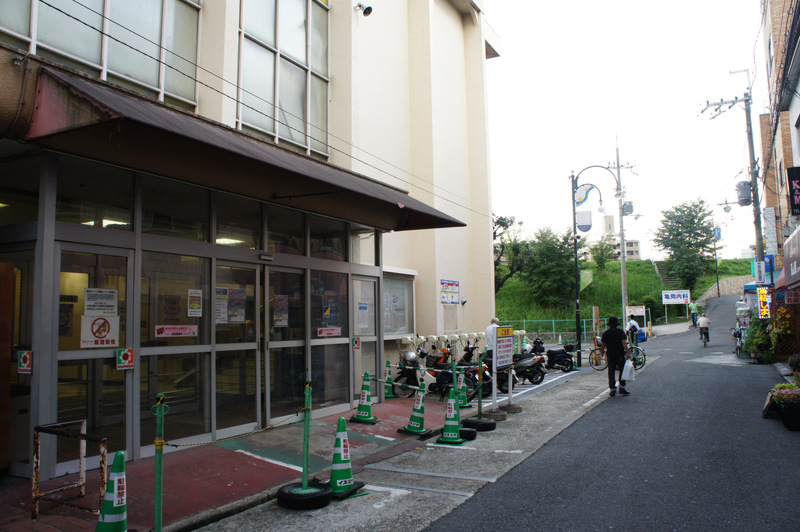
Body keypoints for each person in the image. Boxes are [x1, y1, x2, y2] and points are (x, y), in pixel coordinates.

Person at [601, 316, 632, 397]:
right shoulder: (620, 331)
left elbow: (603, 344)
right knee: (622, 370)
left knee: (611, 371)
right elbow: (624, 343)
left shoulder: (606, 333)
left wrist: (602, 351)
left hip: (610, 354)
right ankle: (622, 387)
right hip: (620, 354)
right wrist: (628, 353)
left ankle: (612, 388)